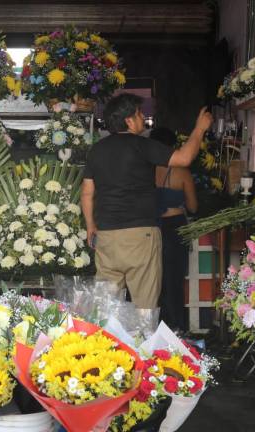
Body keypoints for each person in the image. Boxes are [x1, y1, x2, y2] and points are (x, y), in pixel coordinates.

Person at [81, 94, 212, 320]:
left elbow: (87, 192)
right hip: (140, 236)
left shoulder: (96, 150)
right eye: (140, 114)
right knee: (145, 308)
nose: (144, 118)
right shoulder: (142, 146)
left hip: (107, 237)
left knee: (106, 307)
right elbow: (184, 158)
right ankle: (142, 351)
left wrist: (90, 226)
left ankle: (105, 352)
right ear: (129, 121)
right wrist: (199, 129)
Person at [150, 127, 198, 332]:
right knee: (174, 278)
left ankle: (155, 324)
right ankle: (177, 325)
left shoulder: (144, 170)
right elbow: (194, 207)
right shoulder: (181, 172)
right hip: (175, 227)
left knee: (153, 278)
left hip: (151, 227)